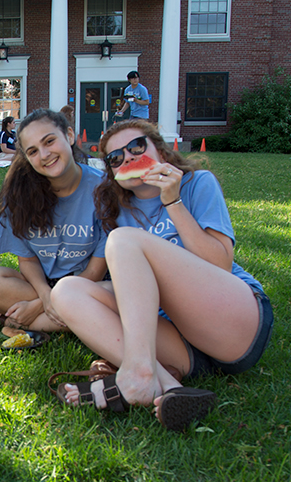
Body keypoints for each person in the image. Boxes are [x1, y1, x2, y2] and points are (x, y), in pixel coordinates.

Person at [50, 119, 273, 432]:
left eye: (136, 148)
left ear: (161, 150)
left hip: (233, 323)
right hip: (182, 347)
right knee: (67, 291)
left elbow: (219, 263)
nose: (126, 158)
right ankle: (169, 387)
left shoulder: (198, 183)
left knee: (124, 240)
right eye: (115, 158)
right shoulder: (116, 213)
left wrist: (172, 200)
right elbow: (130, 293)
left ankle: (136, 373)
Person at [0, 109, 107, 333]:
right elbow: (28, 260)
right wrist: (44, 295)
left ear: (69, 136)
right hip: (39, 285)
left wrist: (39, 306)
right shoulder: (19, 196)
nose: (44, 155)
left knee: (116, 300)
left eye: (49, 141)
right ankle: (62, 320)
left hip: (88, 287)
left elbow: (95, 272)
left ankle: (8, 319)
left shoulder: (103, 190)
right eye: (32, 151)